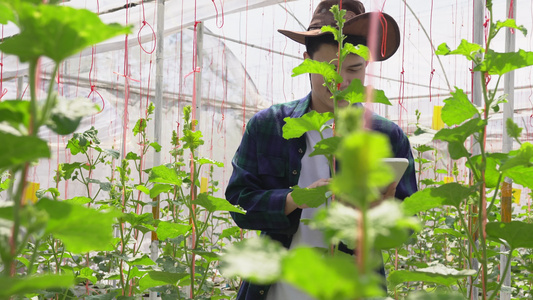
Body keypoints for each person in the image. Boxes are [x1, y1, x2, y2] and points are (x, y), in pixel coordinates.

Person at [225, 0, 417, 299]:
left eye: (353, 69)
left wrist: (380, 216)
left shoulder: (386, 136)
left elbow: (407, 225)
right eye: (328, 70)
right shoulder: (270, 126)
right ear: (307, 61)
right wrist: (294, 200)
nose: (340, 82)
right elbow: (239, 203)